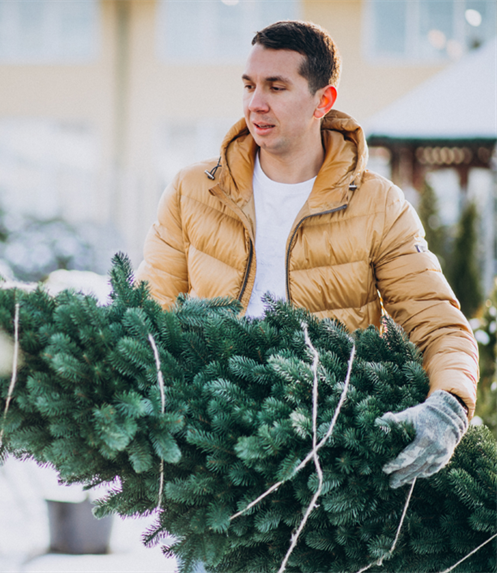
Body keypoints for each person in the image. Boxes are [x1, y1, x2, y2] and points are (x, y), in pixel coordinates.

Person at [135, 20, 478, 489]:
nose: (257, 102)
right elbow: (146, 313)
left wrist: (450, 404)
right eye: (250, 85)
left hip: (328, 463)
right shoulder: (193, 191)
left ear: (323, 100)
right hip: (211, 458)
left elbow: (437, 322)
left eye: (277, 87)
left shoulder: (377, 205)